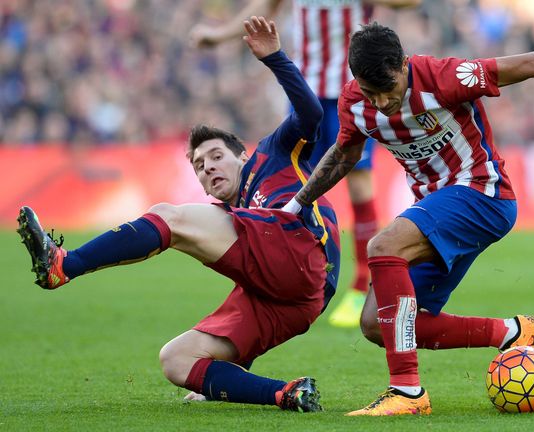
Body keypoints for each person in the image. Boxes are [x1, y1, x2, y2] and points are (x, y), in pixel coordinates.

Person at [280, 22, 534, 416]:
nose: (383, 102)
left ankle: (407, 393)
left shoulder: (444, 77)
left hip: (481, 193)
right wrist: (297, 203)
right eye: (371, 92)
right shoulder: (355, 104)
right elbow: (344, 155)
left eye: (388, 88)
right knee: (378, 324)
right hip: (437, 209)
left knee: (384, 246)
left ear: (404, 65)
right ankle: (511, 332)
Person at [17, 16, 341, 413]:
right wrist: (232, 368)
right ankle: (287, 393)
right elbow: (262, 273)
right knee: (176, 359)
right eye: (200, 167)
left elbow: (312, 115)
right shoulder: (231, 215)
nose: (209, 168)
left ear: (242, 155)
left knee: (169, 218)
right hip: (296, 299)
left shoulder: (271, 154)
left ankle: (65, 264)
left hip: (302, 251)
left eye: (217, 156)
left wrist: (276, 58)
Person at [191, 0, 421, 328]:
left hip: (353, 89)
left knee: (358, 183)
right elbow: (263, 7)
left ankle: (361, 286)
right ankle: (284, 270)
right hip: (307, 93)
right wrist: (219, 35)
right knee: (291, 183)